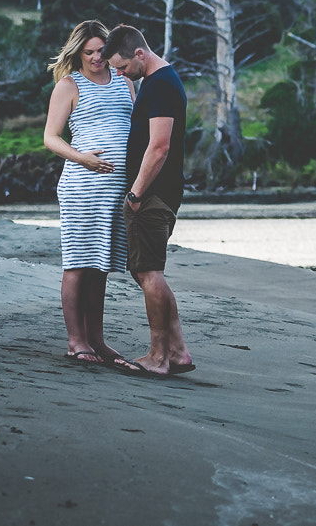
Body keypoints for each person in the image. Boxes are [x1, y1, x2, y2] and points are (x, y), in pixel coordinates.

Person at [41, 19, 136, 368]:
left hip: (117, 190)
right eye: (89, 52)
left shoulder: (125, 82)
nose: (97, 58)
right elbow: (51, 137)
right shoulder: (69, 85)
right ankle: (76, 340)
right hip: (83, 186)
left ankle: (97, 338)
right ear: (77, 53)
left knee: (101, 266)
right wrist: (83, 158)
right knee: (78, 263)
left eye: (102, 51)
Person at [105, 25, 195, 377]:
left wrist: (135, 194)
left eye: (123, 67)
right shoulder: (163, 80)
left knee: (149, 272)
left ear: (139, 54)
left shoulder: (158, 85)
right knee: (148, 273)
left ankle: (159, 357)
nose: (120, 74)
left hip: (153, 195)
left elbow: (159, 146)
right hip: (160, 193)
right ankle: (178, 352)